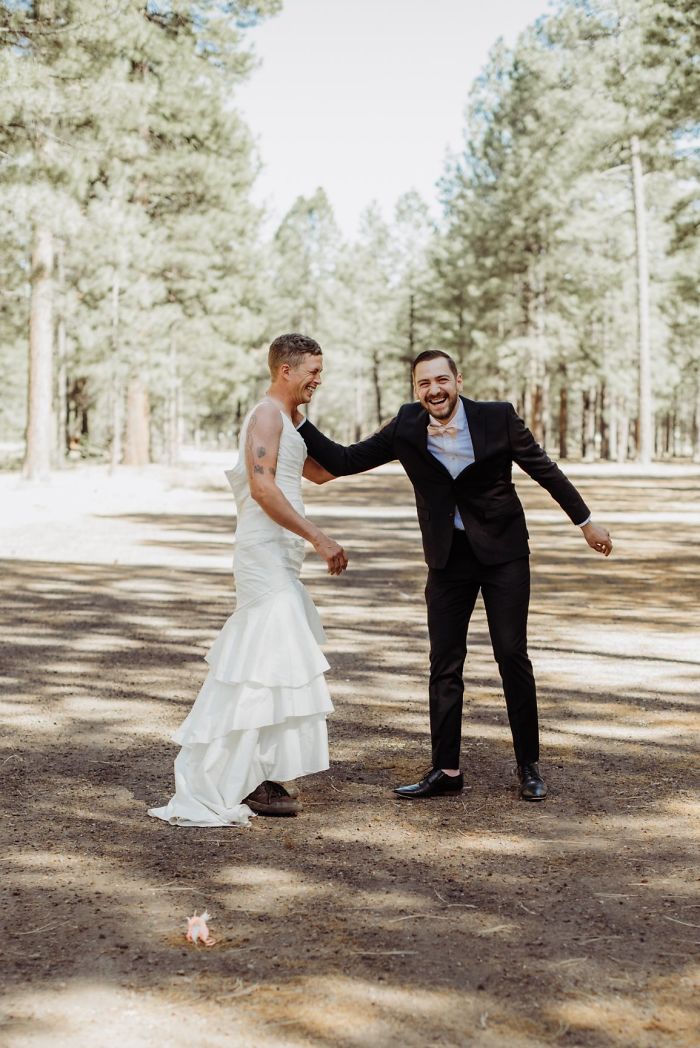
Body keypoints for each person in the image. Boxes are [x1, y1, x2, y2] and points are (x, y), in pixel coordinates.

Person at [296, 349, 612, 802]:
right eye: (424, 384)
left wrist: (586, 522)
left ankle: (529, 766)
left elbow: (545, 470)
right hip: (447, 561)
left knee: (511, 656)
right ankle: (446, 770)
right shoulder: (406, 425)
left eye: (441, 380)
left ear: (458, 380)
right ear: (415, 389)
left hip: (504, 554)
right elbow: (345, 461)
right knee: (444, 664)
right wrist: (299, 419)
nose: (434, 390)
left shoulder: (497, 418)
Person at [149, 334, 346, 827]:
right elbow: (262, 488)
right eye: (312, 371)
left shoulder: (285, 421)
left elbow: (322, 474)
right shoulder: (263, 416)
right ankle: (229, 773)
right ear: (285, 370)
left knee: (273, 661)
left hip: (284, 555)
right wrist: (321, 538)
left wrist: (401, 442)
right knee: (257, 660)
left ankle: (257, 770)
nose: (318, 379)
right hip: (263, 556)